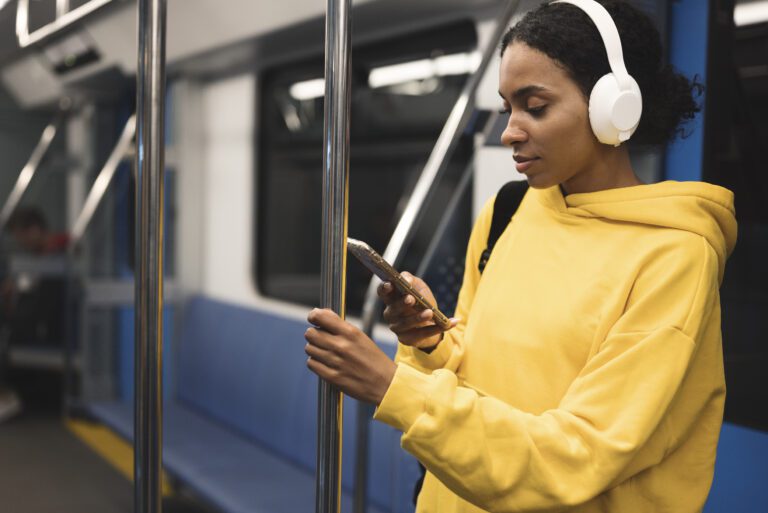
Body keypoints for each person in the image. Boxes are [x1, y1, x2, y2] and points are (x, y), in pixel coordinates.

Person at [304, 1, 737, 511]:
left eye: (535, 106)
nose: (510, 130)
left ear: (612, 106)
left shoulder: (673, 255)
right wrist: (431, 341)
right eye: (508, 106)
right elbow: (477, 365)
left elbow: (572, 459)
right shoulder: (509, 210)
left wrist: (390, 387)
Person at [0, 206, 70, 422]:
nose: (21, 243)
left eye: (22, 236)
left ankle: (6, 395)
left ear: (34, 230)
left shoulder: (58, 257)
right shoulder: (34, 260)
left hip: (45, 327)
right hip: (29, 319)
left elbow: (44, 307)